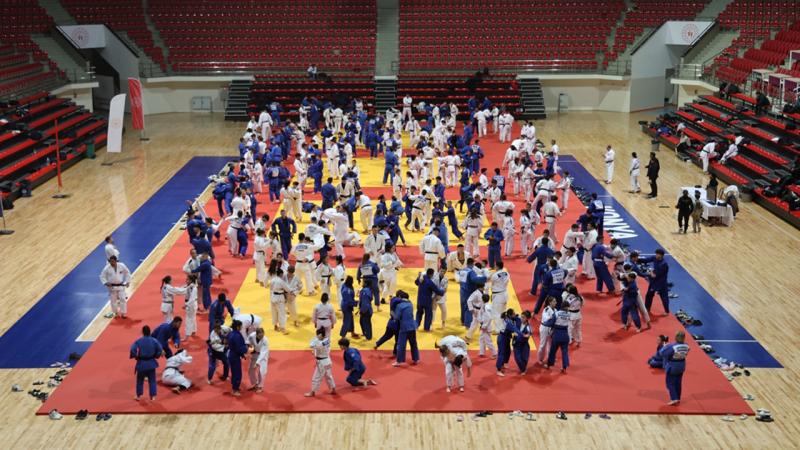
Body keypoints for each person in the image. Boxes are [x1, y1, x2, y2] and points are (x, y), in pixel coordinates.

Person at [130, 325, 163, 401]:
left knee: (140, 380)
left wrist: (135, 356)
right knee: (152, 380)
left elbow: (132, 349)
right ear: (150, 332)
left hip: (141, 364)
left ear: (142, 332)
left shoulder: (138, 341)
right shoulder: (154, 341)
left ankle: (138, 396)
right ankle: (153, 396)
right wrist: (156, 355)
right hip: (151, 363)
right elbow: (160, 349)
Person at [659, 331, 690, 405]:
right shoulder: (687, 345)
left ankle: (674, 398)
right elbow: (687, 351)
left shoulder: (672, 346)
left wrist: (665, 346)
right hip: (682, 365)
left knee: (669, 383)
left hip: (673, 365)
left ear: (676, 337)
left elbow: (662, 353)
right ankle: (678, 398)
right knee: (678, 382)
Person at [305, 327, 336, 397]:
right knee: (328, 376)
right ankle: (333, 389)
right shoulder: (327, 339)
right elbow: (313, 343)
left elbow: (312, 345)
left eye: (318, 335)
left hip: (322, 362)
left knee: (316, 377)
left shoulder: (322, 343)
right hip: (327, 361)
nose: (317, 336)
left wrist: (314, 345)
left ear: (321, 335)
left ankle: (312, 392)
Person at [543, 303, 571, 373]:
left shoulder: (557, 313)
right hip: (565, 334)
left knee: (553, 351)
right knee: (565, 352)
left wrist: (544, 323)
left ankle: (549, 364)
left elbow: (551, 323)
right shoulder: (569, 314)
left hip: (557, 334)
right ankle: (564, 367)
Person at [394, 293, 419, 366]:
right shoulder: (410, 304)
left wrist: (392, 313)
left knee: (401, 344)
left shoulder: (399, 306)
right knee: (413, 343)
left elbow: (397, 317)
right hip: (412, 326)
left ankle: (399, 361)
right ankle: (416, 359)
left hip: (404, 327)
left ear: (400, 297)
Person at [226, 319, 248, 396]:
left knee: (234, 372)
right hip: (235, 356)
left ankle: (235, 387)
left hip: (232, 354)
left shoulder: (231, 333)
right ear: (238, 327)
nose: (242, 327)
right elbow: (240, 348)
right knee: (237, 373)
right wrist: (246, 349)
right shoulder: (237, 336)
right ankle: (235, 390)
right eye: (241, 326)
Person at [247, 327, 269, 393]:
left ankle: (260, 386)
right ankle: (255, 384)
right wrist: (249, 346)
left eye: (262, 335)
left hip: (263, 355)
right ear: (256, 334)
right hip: (255, 353)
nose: (261, 337)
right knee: (250, 370)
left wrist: (257, 363)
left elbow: (263, 352)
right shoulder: (252, 336)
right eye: (259, 336)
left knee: (262, 371)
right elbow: (247, 341)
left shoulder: (265, 340)